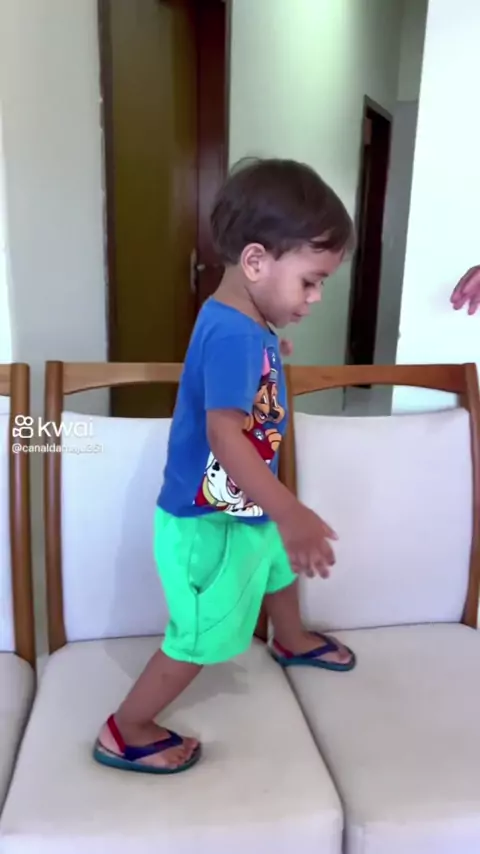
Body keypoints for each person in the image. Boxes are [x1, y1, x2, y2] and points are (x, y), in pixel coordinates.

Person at [93, 157, 357, 775]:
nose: (316, 299)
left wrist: (270, 349)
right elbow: (223, 433)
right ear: (256, 262)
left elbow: (236, 372)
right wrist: (288, 510)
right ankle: (127, 728)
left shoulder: (242, 321)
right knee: (200, 637)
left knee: (276, 568)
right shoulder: (238, 334)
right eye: (311, 282)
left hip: (238, 506)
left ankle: (289, 638)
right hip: (206, 523)